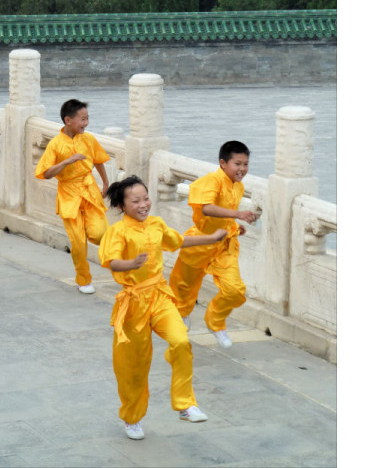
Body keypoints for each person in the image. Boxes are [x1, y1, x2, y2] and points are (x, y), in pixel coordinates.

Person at [98, 176, 227, 440]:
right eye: (135, 201)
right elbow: (111, 262)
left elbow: (177, 241)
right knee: (133, 367)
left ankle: (185, 404)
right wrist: (131, 264)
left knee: (180, 340)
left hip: (159, 295)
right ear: (122, 206)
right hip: (133, 304)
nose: (143, 204)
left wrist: (211, 237)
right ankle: (132, 418)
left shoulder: (156, 224)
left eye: (145, 198)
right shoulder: (118, 231)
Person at [168, 141, 258, 349]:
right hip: (200, 241)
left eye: (246, 164)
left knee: (235, 290)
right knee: (184, 285)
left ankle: (215, 322)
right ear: (223, 163)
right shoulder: (211, 181)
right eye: (238, 164)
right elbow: (207, 209)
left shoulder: (238, 186)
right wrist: (238, 214)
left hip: (224, 244)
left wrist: (234, 225)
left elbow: (223, 214)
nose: (242, 169)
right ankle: (182, 315)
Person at [35, 99, 109, 294]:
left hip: (89, 190)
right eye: (82, 119)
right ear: (68, 120)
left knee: (100, 233)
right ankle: (83, 280)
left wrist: (106, 183)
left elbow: (99, 160)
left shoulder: (89, 139)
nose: (85, 123)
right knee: (78, 244)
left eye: (87, 119)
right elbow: (46, 173)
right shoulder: (55, 144)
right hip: (69, 194)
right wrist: (67, 162)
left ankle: (118, 256)